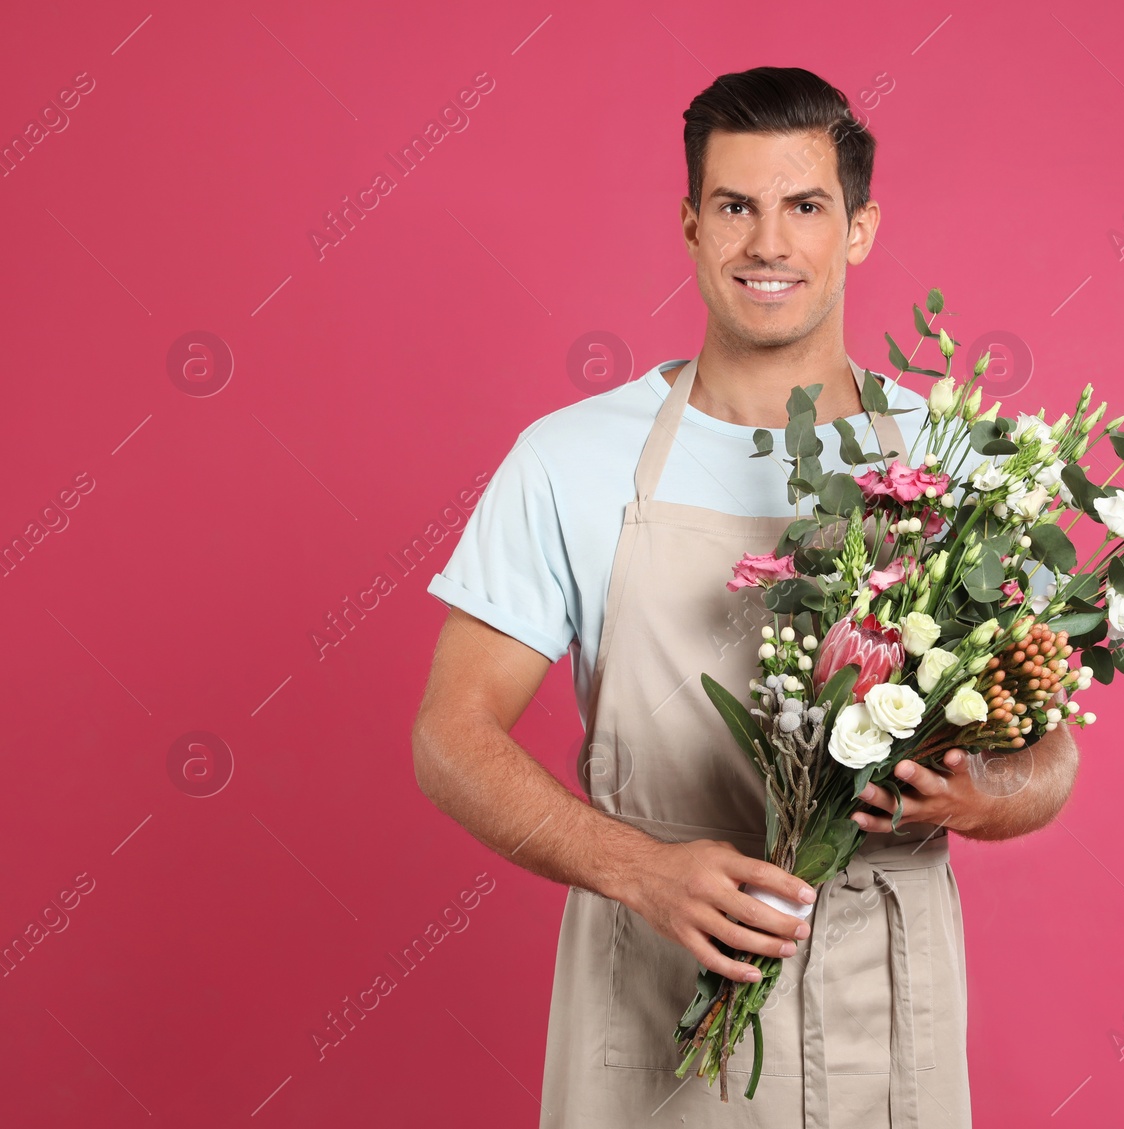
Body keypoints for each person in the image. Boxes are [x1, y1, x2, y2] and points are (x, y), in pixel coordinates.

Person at [411, 65, 1080, 1128]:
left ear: (857, 228)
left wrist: (981, 796)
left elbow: (1049, 755)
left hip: (886, 1008)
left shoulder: (961, 460)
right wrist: (640, 869)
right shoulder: (569, 460)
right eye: (736, 207)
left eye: (804, 207)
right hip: (654, 985)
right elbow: (450, 734)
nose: (768, 244)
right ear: (689, 223)